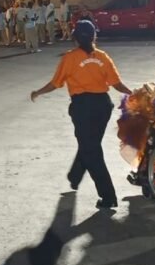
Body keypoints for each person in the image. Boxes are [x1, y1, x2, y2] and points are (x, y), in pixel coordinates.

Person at [30, 19, 132, 208]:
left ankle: (108, 196)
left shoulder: (70, 58)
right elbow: (116, 84)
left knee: (91, 150)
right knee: (90, 144)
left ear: (75, 38)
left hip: (83, 108)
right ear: (94, 37)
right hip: (103, 106)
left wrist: (38, 92)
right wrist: (133, 94)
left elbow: (55, 83)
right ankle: (75, 176)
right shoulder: (102, 56)